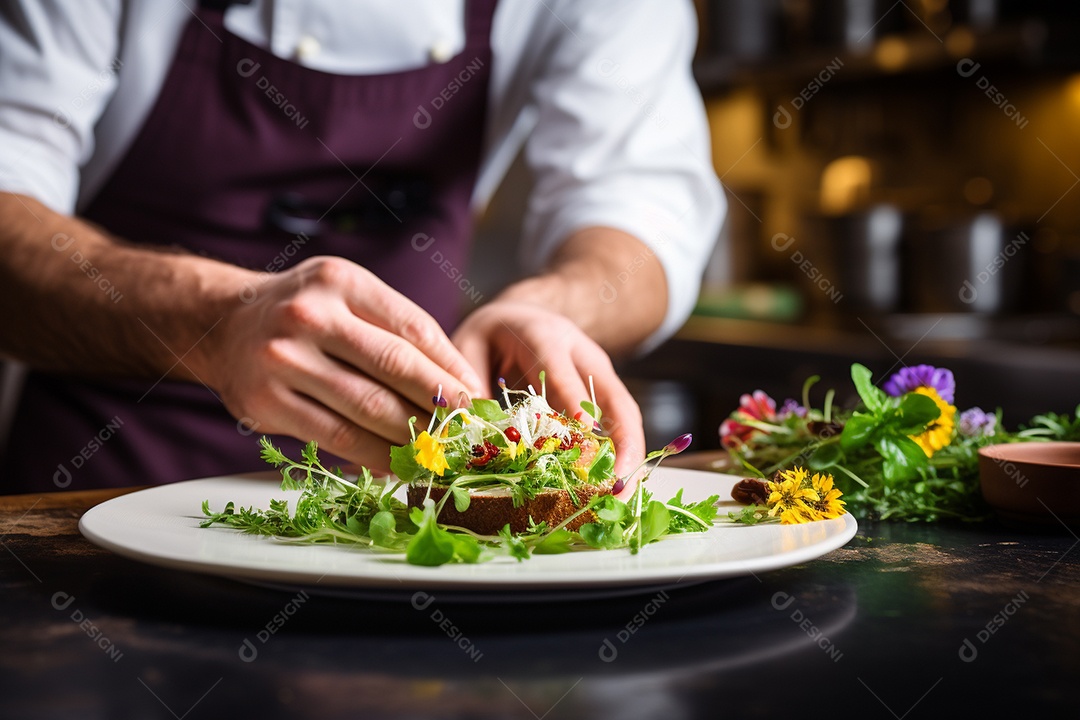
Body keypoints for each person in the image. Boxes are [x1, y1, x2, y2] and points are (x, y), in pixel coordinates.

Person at [0, 0, 723, 493]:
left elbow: (641, 206)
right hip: (96, 485)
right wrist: (219, 319)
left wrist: (553, 310)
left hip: (402, 510)